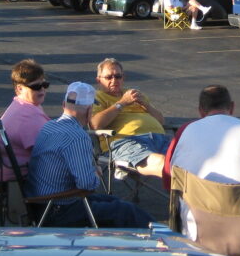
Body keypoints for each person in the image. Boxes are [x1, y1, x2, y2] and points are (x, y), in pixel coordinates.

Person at [163, 84, 240, 243]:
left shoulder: (185, 131)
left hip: (198, 234)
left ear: (200, 110)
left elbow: (168, 181)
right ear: (232, 107)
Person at [28, 81, 152, 228]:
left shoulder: (48, 127)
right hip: (59, 210)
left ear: (63, 104)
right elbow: (87, 184)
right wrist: (95, 173)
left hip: (40, 205)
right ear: (89, 111)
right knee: (126, 211)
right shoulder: (77, 136)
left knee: (114, 203)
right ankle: (163, 240)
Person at [89, 57, 170, 181]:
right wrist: (121, 103)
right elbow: (95, 125)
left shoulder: (133, 94)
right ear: (98, 80)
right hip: (126, 142)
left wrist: (146, 105)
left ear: (123, 77)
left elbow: (161, 121)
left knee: (189, 162)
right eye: (108, 77)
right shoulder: (97, 97)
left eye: (118, 76)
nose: (114, 80)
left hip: (159, 138)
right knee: (166, 164)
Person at [0, 58, 51, 179]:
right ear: (20, 88)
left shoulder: (19, 106)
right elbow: (48, 152)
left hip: (14, 175)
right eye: (36, 86)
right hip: (27, 181)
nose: (42, 89)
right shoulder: (27, 116)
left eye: (44, 85)